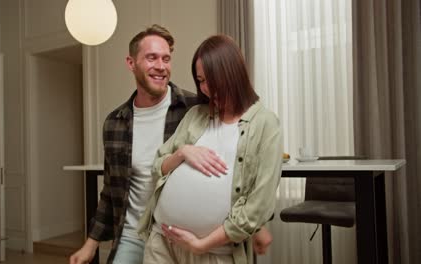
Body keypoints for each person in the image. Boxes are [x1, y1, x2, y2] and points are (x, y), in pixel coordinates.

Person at [69, 25, 272, 264]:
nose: (161, 66)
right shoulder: (115, 123)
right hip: (134, 232)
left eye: (166, 58)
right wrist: (90, 244)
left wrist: (258, 226)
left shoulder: (196, 108)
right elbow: (111, 190)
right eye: (151, 58)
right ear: (131, 63)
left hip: (185, 235)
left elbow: (235, 167)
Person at [138, 35, 283, 264]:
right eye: (201, 80)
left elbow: (258, 207)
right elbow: (158, 165)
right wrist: (182, 152)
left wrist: (200, 245)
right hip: (161, 242)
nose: (207, 88)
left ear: (233, 72)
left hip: (213, 253)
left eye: (213, 79)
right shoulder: (196, 115)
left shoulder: (265, 123)